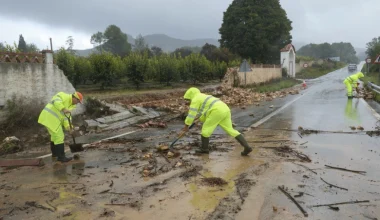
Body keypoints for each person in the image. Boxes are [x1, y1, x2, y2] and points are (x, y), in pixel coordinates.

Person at [182, 87, 252, 156]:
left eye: (188, 99)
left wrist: (186, 126)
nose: (189, 101)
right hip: (225, 109)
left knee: (205, 131)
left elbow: (191, 114)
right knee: (230, 130)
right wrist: (199, 119)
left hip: (216, 111)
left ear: (190, 95)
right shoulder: (203, 96)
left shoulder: (195, 99)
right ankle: (247, 147)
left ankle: (204, 149)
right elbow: (205, 111)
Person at [38, 91, 83, 162]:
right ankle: (61, 157)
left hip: (52, 119)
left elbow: (66, 118)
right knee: (59, 136)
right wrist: (63, 108)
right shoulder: (63, 95)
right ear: (75, 98)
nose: (77, 103)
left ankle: (55, 154)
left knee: (54, 136)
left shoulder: (71, 106)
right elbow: (55, 100)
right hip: (49, 117)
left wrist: (69, 128)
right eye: (78, 101)